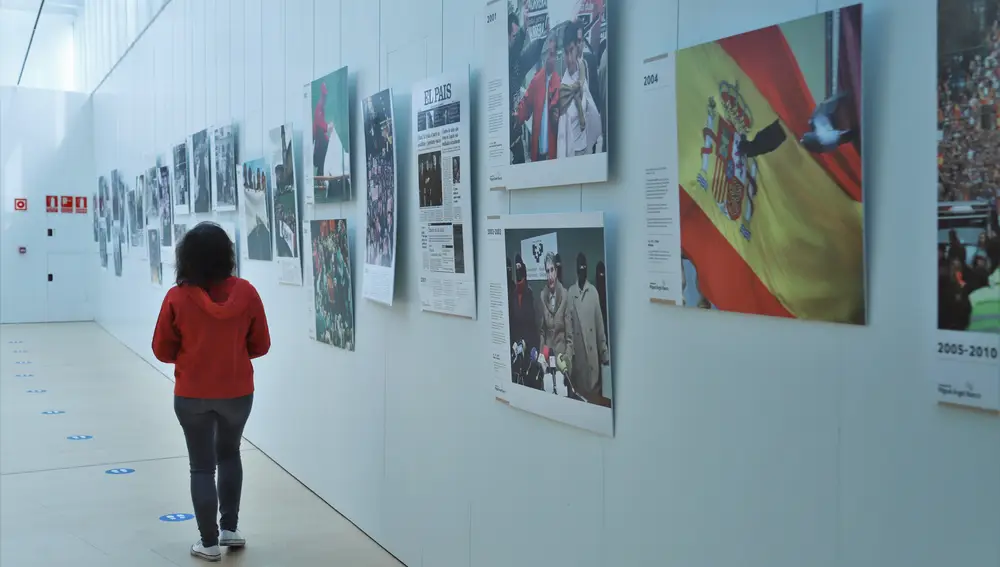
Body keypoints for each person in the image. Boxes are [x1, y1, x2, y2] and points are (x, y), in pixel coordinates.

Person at [151, 222, 271, 562]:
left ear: (185, 257)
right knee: (230, 454)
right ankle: (229, 530)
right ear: (227, 255)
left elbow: (162, 349)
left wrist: (193, 354)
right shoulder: (246, 292)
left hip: (192, 395)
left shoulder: (176, 297)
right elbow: (261, 345)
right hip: (237, 393)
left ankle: (208, 543)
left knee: (201, 467)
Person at [567, 253, 609, 401]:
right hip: (578, 359)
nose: (582, 271)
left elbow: (599, 328)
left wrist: (604, 355)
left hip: (593, 359)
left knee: (595, 396)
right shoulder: (570, 293)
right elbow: (569, 331)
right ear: (577, 270)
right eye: (580, 268)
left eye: (584, 268)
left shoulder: (593, 292)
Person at [558, 21, 603, 158]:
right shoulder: (564, 86)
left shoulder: (583, 69)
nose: (570, 57)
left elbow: (593, 103)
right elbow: (561, 137)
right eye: (567, 51)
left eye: (580, 41)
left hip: (587, 149)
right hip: (572, 156)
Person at [515, 36, 561, 162]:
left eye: (551, 54)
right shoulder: (536, 81)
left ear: (556, 56)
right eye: (546, 54)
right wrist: (516, 117)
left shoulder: (560, 83)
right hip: (539, 153)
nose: (549, 58)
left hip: (554, 152)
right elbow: (526, 105)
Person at [539, 252, 574, 385]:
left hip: (562, 361)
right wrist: (542, 355)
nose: (550, 275)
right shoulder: (542, 296)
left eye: (552, 270)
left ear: (556, 271)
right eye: (547, 271)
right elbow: (542, 331)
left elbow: (570, 337)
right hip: (548, 363)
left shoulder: (565, 295)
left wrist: (567, 359)